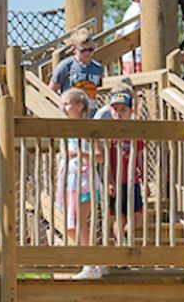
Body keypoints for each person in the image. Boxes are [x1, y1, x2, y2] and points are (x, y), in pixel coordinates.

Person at [93, 82, 145, 244]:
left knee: (137, 215)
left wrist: (144, 177)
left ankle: (126, 236)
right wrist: (108, 181)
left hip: (132, 181)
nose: (118, 113)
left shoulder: (135, 132)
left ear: (130, 111)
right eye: (115, 109)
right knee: (119, 216)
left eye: (123, 110)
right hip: (116, 181)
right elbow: (106, 161)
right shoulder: (109, 132)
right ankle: (121, 243)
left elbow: (139, 156)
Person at [57, 87, 99, 276]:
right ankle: (93, 260)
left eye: (67, 103)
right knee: (71, 225)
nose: (63, 107)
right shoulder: (66, 128)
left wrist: (80, 153)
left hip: (85, 180)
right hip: (70, 180)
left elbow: (99, 156)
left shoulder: (88, 128)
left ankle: (89, 264)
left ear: (79, 106)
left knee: (79, 222)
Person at [49, 30, 104, 99]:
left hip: (90, 106)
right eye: (83, 50)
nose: (87, 53)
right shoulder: (66, 66)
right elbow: (52, 89)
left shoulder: (97, 67)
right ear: (74, 49)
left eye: (90, 49)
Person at [118, 0, 141, 73]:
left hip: (127, 57)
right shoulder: (140, 9)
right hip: (137, 57)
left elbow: (118, 34)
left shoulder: (129, 11)